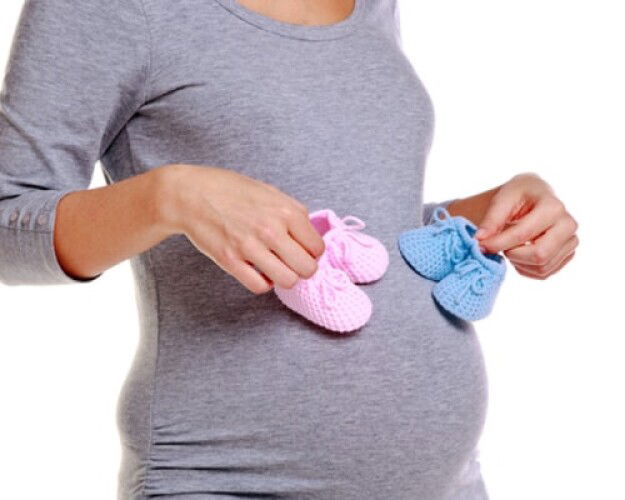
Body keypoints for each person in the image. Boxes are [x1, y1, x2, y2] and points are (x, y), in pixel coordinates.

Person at [0, 0, 578, 498]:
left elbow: (359, 219)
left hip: (446, 483)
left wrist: (487, 214)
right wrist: (168, 196)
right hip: (228, 477)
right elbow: (9, 224)